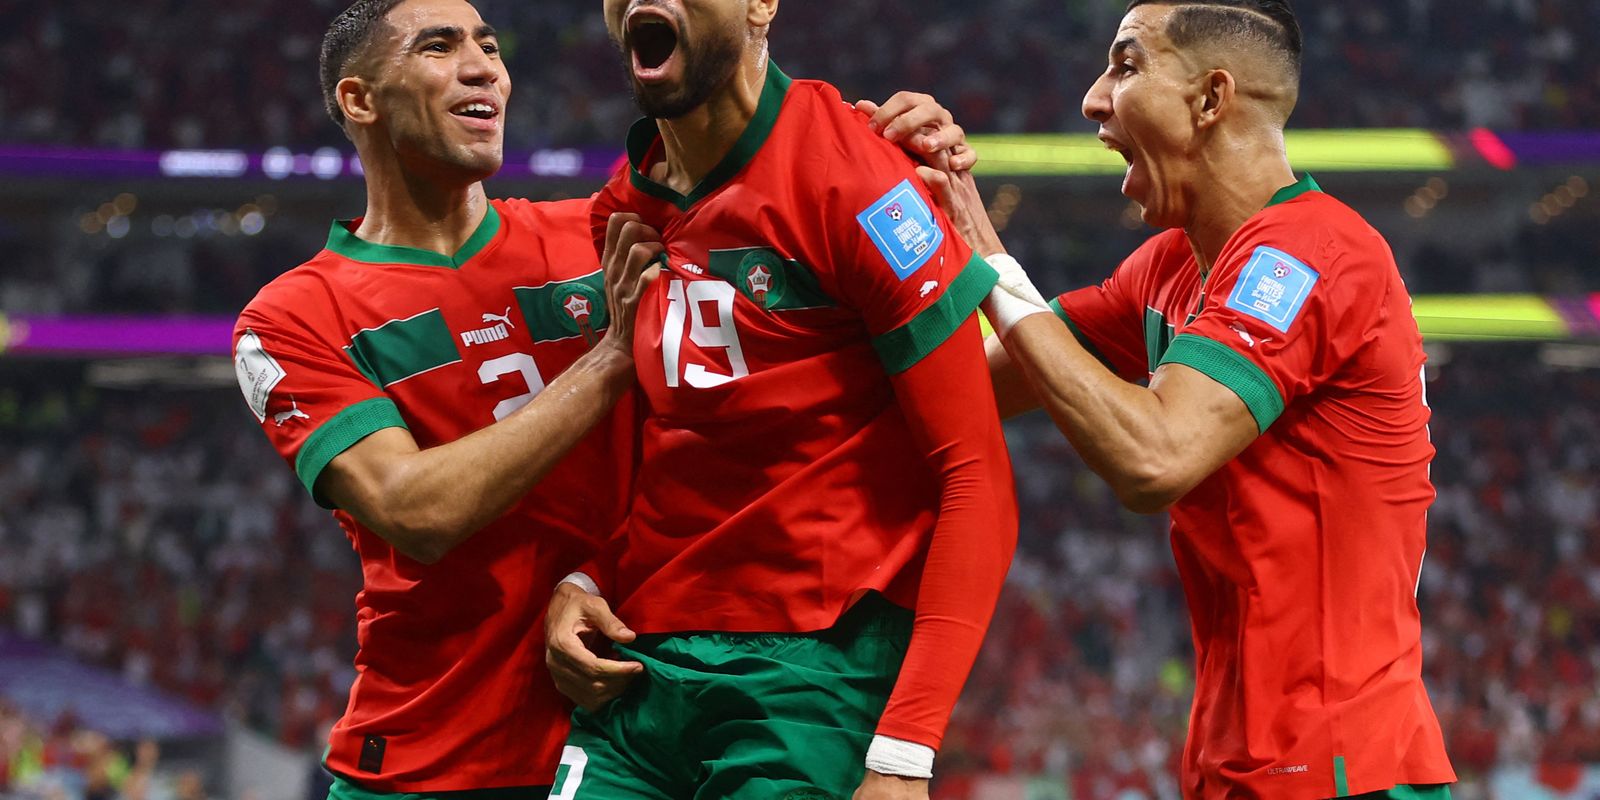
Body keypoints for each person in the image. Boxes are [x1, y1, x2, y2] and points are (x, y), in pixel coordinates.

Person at [232, 0, 976, 796]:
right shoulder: (294, 318)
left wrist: (911, 171)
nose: (484, 68)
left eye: (489, 46)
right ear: (359, 99)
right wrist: (613, 356)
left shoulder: (605, 233)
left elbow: (844, 374)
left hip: (640, 733)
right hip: (431, 757)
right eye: (439, 47)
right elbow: (415, 510)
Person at [915, 1, 1458, 797]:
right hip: (1240, 763)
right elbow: (967, 385)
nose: (1093, 99)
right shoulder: (1171, 266)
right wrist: (895, 223)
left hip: (1344, 768)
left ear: (1210, 98)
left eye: (1126, 65)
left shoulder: (1311, 254)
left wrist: (985, 250)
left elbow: (1155, 457)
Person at [542, 1, 1017, 799]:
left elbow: (978, 477)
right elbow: (664, 445)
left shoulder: (858, 179)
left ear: (763, 4)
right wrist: (588, 579)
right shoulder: (622, 210)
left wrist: (906, 753)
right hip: (641, 667)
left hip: (812, 674)